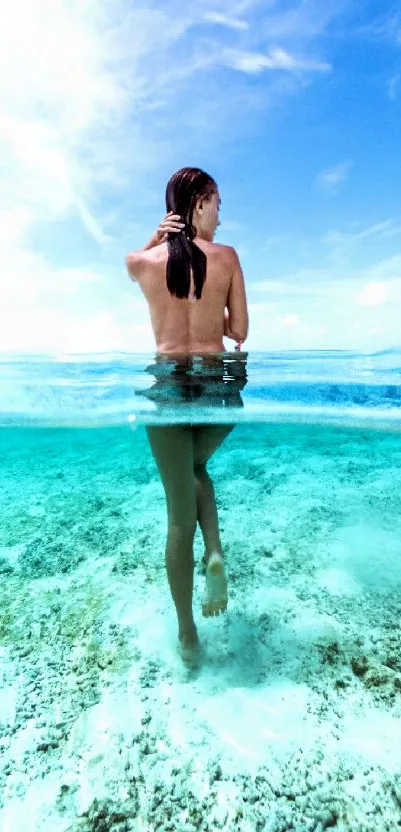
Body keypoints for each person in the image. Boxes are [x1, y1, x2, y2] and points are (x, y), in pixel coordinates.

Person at [126, 167, 248, 665]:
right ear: (200, 202)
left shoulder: (143, 262)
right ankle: (215, 551)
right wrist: (211, 304)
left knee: (179, 517)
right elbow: (238, 331)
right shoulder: (227, 258)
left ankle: (187, 636)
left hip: (169, 386)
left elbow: (136, 259)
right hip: (219, 384)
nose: (221, 212)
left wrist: (159, 236)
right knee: (197, 469)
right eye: (217, 202)